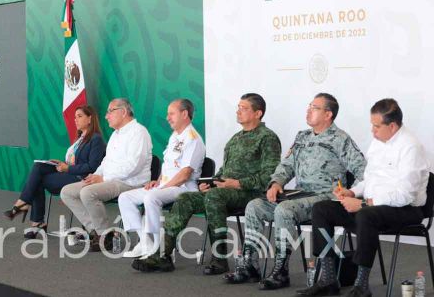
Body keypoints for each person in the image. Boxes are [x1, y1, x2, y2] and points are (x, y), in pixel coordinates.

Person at [225, 93, 367, 290]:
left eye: (315, 108)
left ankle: (281, 271)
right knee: (254, 206)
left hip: (325, 197)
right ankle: (249, 265)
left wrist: (351, 193)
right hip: (300, 194)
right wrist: (276, 183)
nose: (308, 110)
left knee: (284, 210)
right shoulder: (302, 136)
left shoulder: (340, 139)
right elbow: (286, 166)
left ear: (328, 115)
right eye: (309, 106)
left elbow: (363, 171)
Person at [132, 93, 281, 273]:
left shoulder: (267, 138)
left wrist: (236, 183)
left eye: (244, 108)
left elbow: (269, 176)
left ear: (258, 113)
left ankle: (220, 258)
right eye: (238, 107)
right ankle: (162, 256)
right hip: (225, 191)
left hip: (249, 192)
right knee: (186, 198)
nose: (238, 111)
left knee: (214, 197)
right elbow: (224, 172)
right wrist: (211, 182)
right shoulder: (235, 139)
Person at [297, 99, 429, 297]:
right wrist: (352, 192)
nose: (372, 131)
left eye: (376, 126)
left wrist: (363, 203)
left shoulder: (411, 147)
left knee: (366, 215)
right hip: (371, 207)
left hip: (406, 210)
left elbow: (404, 195)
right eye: (372, 125)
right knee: (321, 209)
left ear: (392, 126)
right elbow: (370, 180)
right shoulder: (378, 142)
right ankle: (328, 278)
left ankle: (361, 284)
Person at [61, 98, 152, 252]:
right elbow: (106, 162)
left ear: (123, 112)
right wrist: (95, 176)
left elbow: (133, 166)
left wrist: (103, 178)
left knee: (88, 192)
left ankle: (104, 236)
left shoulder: (139, 132)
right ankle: (99, 232)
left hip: (130, 182)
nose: (106, 116)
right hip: (111, 179)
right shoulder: (116, 135)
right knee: (67, 192)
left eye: (110, 111)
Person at [118, 99, 205, 258]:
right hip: (167, 185)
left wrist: (163, 187)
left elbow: (184, 174)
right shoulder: (175, 136)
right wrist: (158, 181)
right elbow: (169, 165)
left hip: (183, 188)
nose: (167, 118)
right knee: (125, 197)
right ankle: (145, 243)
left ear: (184, 114)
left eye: (171, 113)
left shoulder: (193, 139)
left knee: (152, 197)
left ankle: (160, 248)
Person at [3, 105, 105, 239]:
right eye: (74, 117)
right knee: (39, 167)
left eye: (79, 116)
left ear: (90, 118)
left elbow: (92, 166)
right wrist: (62, 164)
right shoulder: (80, 139)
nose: (75, 120)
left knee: (37, 180)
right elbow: (75, 161)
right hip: (70, 173)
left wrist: (67, 168)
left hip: (81, 178)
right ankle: (28, 211)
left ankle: (30, 214)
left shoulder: (95, 139)